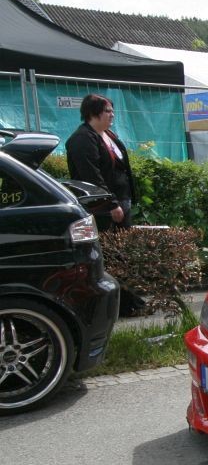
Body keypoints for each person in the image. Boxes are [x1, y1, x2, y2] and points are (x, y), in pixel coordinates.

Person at [65, 93, 145, 315]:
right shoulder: (82, 139)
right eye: (108, 111)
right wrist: (110, 204)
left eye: (112, 111)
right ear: (93, 113)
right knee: (110, 254)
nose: (112, 115)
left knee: (122, 253)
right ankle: (116, 305)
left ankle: (128, 301)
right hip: (102, 208)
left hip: (121, 201)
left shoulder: (108, 135)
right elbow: (91, 176)